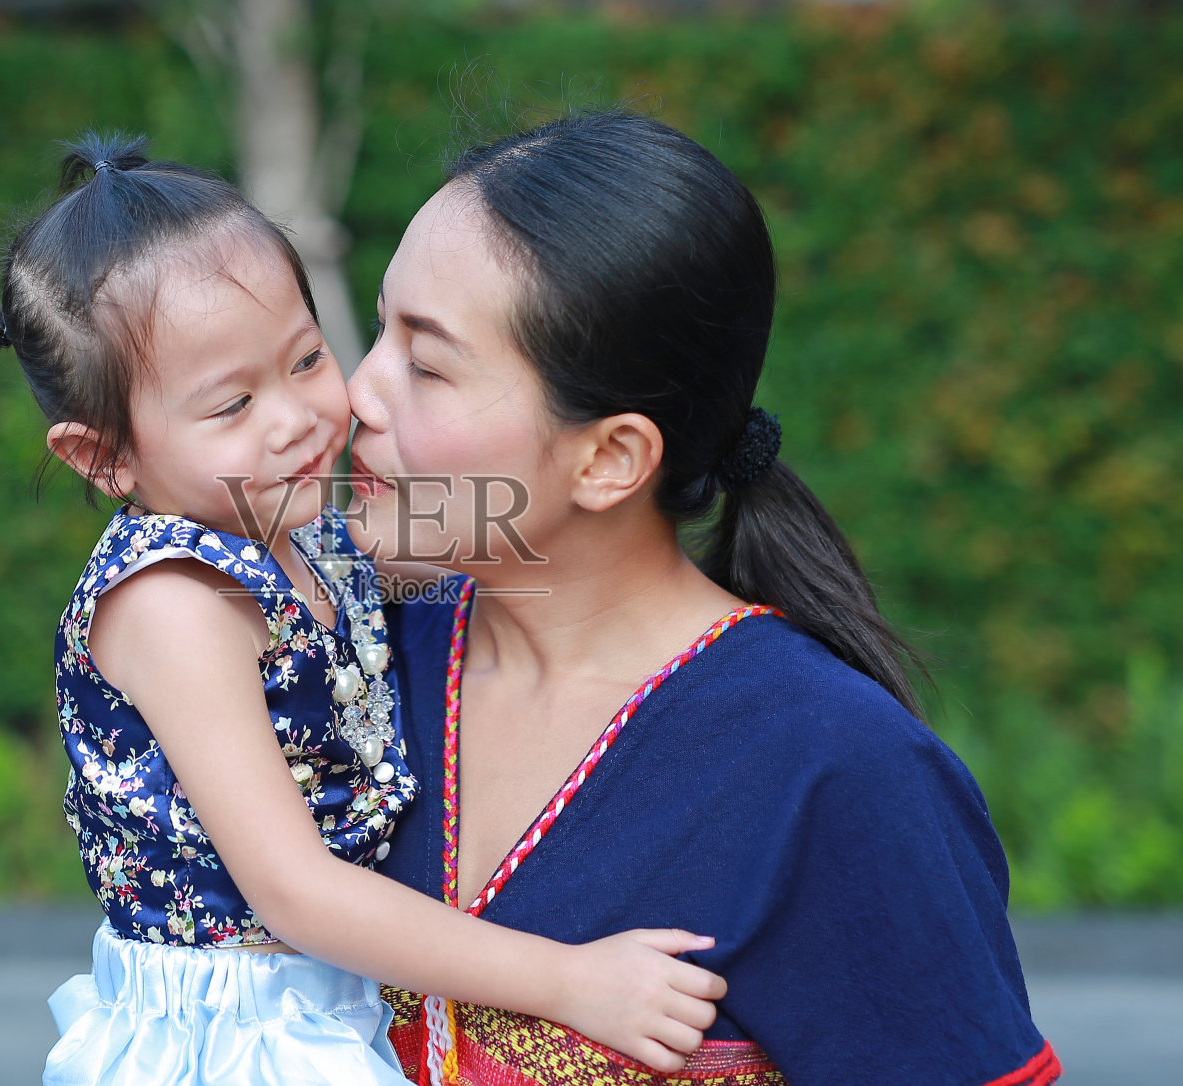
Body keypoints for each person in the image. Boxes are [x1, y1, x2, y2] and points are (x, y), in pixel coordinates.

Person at [0, 132, 728, 1086]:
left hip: (321, 1000)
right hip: (232, 1032)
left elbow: (513, 522)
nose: (297, 417)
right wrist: (568, 982)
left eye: (307, 360)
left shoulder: (296, 524)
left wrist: (639, 488)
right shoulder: (175, 598)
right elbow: (297, 894)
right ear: (104, 459)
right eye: (231, 405)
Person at [349, 110, 1061, 1086]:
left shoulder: (837, 770)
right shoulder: (350, 666)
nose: (356, 392)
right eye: (378, 327)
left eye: (425, 364)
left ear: (609, 458)